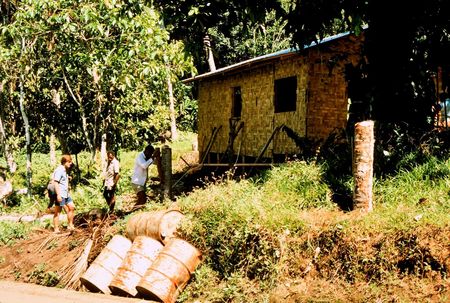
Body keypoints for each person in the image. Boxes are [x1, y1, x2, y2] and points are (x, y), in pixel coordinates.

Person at [52, 154, 75, 233]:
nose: (70, 163)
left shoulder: (65, 170)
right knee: (58, 211)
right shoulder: (59, 170)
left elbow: (62, 179)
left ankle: (70, 225)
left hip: (66, 193)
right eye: (69, 162)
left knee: (72, 207)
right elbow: (55, 182)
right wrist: (58, 195)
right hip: (60, 194)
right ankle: (56, 229)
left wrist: (67, 178)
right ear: (64, 162)